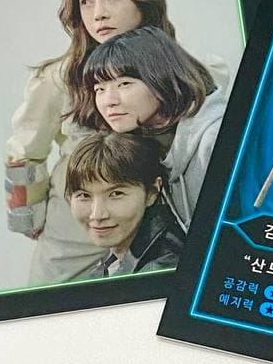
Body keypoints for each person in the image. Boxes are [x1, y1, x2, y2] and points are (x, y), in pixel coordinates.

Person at [4, 0, 176, 285]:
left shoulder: (180, 68)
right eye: (85, 2)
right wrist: (29, 219)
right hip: (75, 233)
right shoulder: (59, 77)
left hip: (158, 225)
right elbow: (24, 153)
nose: (99, 13)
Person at [78, 24, 229, 230]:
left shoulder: (217, 138)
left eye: (124, 84)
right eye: (100, 89)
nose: (108, 101)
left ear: (162, 78)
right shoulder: (145, 142)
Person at [63, 132, 184, 277]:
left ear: (152, 192)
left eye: (116, 194)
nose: (97, 215)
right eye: (84, 195)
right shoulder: (115, 260)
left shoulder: (162, 269)